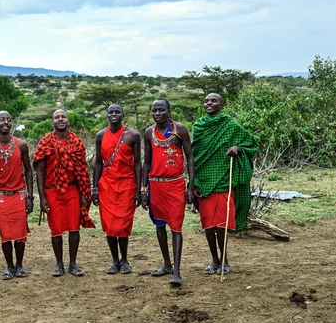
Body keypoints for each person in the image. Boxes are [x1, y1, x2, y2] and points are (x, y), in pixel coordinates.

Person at [191, 93, 258, 275]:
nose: (209, 103)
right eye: (206, 101)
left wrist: (238, 148)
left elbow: (251, 143)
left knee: (221, 225)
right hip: (203, 182)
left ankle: (225, 260)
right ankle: (214, 260)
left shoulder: (230, 125)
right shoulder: (198, 126)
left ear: (221, 105)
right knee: (208, 225)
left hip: (223, 181)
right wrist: (194, 182)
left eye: (213, 101)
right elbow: (194, 156)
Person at [33, 109, 95, 277]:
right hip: (52, 191)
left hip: (73, 189)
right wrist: (42, 197)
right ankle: (59, 264)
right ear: (52, 122)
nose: (60, 119)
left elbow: (82, 170)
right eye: (57, 117)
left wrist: (84, 194)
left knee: (74, 228)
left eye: (63, 117)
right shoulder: (45, 142)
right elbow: (40, 171)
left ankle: (73, 263)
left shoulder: (77, 142)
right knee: (56, 229)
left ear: (68, 121)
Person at [141, 99, 194, 286]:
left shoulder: (179, 130)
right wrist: (144, 189)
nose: (157, 113)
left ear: (168, 111)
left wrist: (190, 185)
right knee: (159, 224)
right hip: (156, 185)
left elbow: (189, 157)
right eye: (154, 110)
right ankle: (166, 264)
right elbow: (146, 163)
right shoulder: (149, 133)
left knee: (176, 227)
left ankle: (177, 272)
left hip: (175, 184)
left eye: (161, 109)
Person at [0, 111, 34, 280]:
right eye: (1, 120)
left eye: (8, 120)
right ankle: (9, 267)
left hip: (18, 194)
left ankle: (19, 265)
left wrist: (30, 196)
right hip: (0, 196)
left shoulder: (21, 145)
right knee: (5, 234)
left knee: (19, 234)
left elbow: (28, 170)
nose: (5, 122)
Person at [92, 104, 141, 274]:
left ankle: (125, 259)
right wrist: (94, 188)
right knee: (110, 226)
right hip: (107, 185)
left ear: (122, 114)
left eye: (117, 112)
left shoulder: (133, 135)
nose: (114, 115)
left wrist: (139, 189)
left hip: (127, 185)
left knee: (123, 225)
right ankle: (114, 261)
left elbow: (137, 163)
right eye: (111, 112)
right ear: (107, 115)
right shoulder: (100, 136)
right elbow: (98, 163)